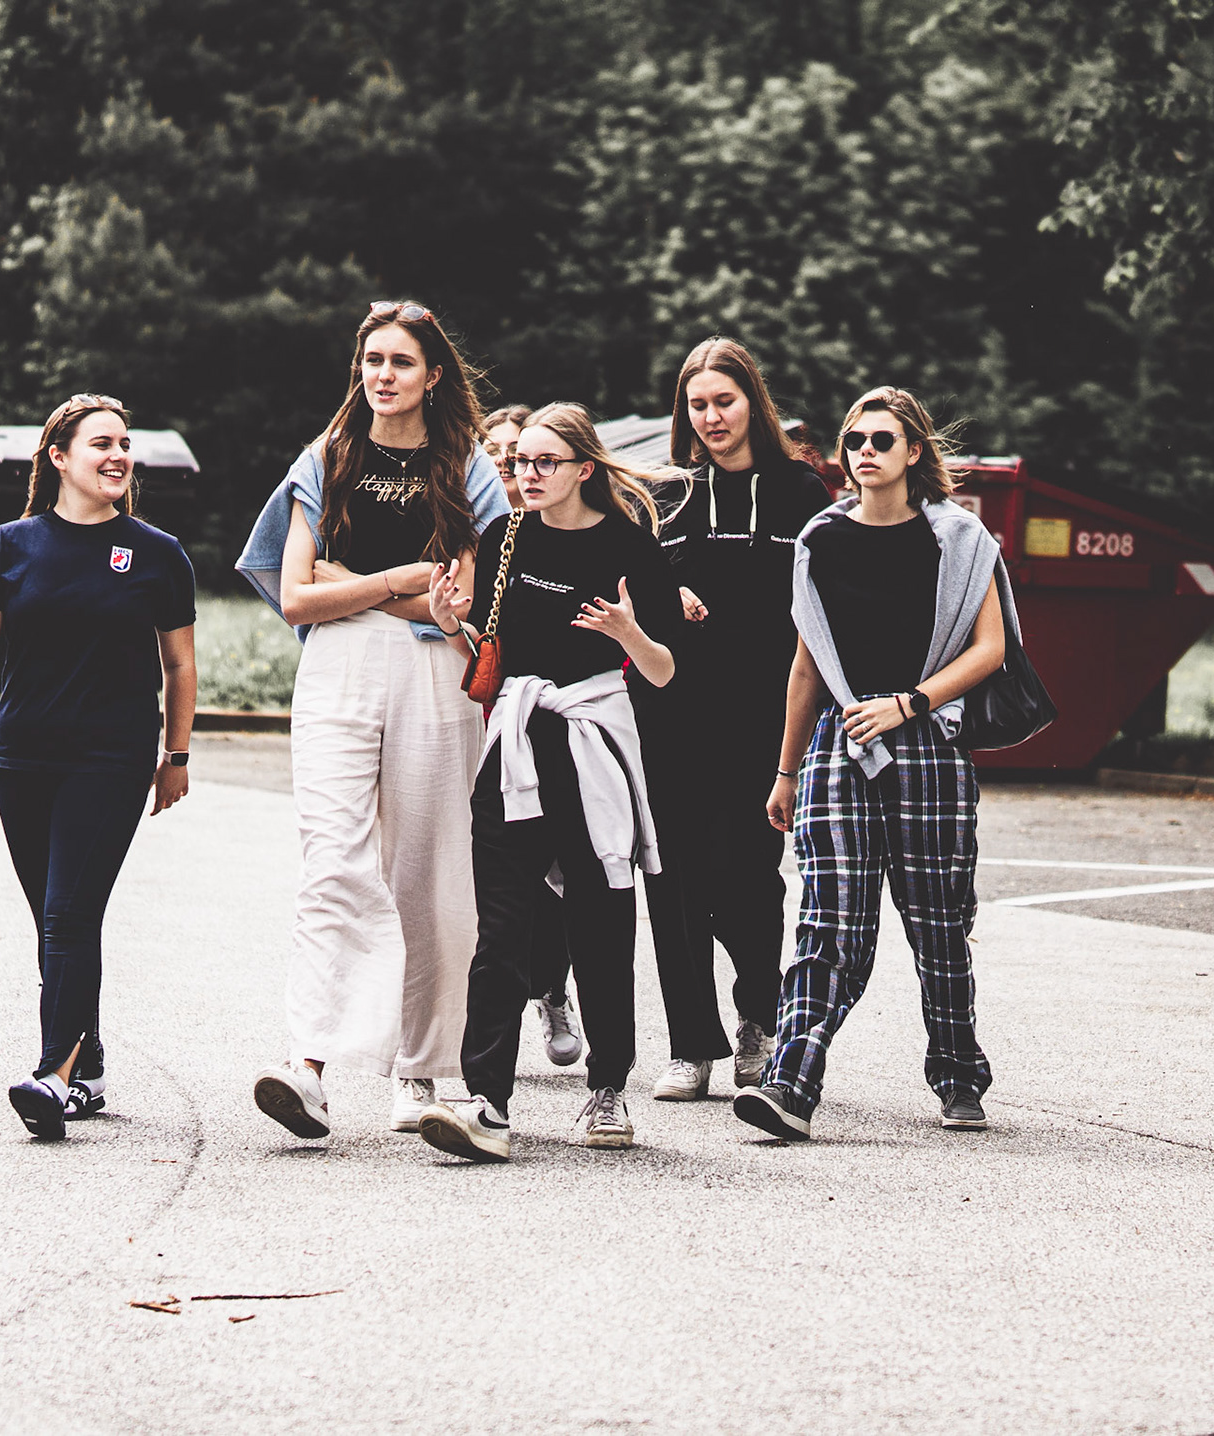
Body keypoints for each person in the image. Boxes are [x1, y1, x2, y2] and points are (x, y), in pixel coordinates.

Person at [235, 301, 508, 1140]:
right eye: (372, 360)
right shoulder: (327, 457)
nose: (383, 375)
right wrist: (397, 580)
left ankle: (420, 1071)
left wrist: (351, 581)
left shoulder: (470, 467)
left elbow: (458, 602)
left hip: (434, 673)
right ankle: (308, 1066)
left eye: (400, 361)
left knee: (429, 871)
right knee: (332, 859)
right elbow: (296, 596)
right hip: (338, 670)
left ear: (433, 374)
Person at [736, 385, 1012, 1143]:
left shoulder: (959, 539)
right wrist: (786, 771)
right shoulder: (820, 539)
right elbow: (806, 666)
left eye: (881, 440)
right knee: (828, 921)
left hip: (929, 744)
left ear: (913, 451)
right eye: (854, 440)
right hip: (840, 744)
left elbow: (990, 648)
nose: (864, 452)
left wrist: (910, 703)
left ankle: (958, 1072)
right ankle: (791, 1084)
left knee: (938, 921)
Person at [416, 402, 682, 1162]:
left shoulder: (630, 547)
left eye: (543, 463)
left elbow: (665, 671)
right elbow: (492, 656)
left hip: (592, 745)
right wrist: (449, 623)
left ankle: (608, 1088)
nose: (526, 475)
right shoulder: (506, 538)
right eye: (518, 463)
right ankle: (487, 1102)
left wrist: (629, 634)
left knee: (601, 923)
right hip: (515, 745)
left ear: (584, 469)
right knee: (501, 929)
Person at [0, 393, 199, 1140]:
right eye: (101, 444)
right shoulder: (8, 546)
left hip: (111, 759)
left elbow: (180, 666)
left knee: (68, 916)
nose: (119, 456)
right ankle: (88, 1061)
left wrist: (176, 755)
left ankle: (53, 1077)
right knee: (52, 919)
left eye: (125, 444)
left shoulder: (157, 554)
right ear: (58, 457)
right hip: (21, 755)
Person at [646, 337, 834, 1102]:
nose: (711, 417)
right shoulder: (668, 496)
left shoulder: (802, 493)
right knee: (676, 882)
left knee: (747, 876)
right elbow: (629, 591)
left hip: (764, 719)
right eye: (697, 405)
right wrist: (665, 599)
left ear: (752, 403)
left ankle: (760, 1014)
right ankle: (690, 1046)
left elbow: (820, 615)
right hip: (674, 716)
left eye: (724, 401)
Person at [482, 401, 585, 1070]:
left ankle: (551, 988)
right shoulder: (487, 530)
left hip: (552, 719)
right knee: (494, 880)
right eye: (499, 454)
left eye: (522, 454)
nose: (511, 465)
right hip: (483, 717)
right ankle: (485, 1027)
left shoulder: (572, 531)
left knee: (556, 876)